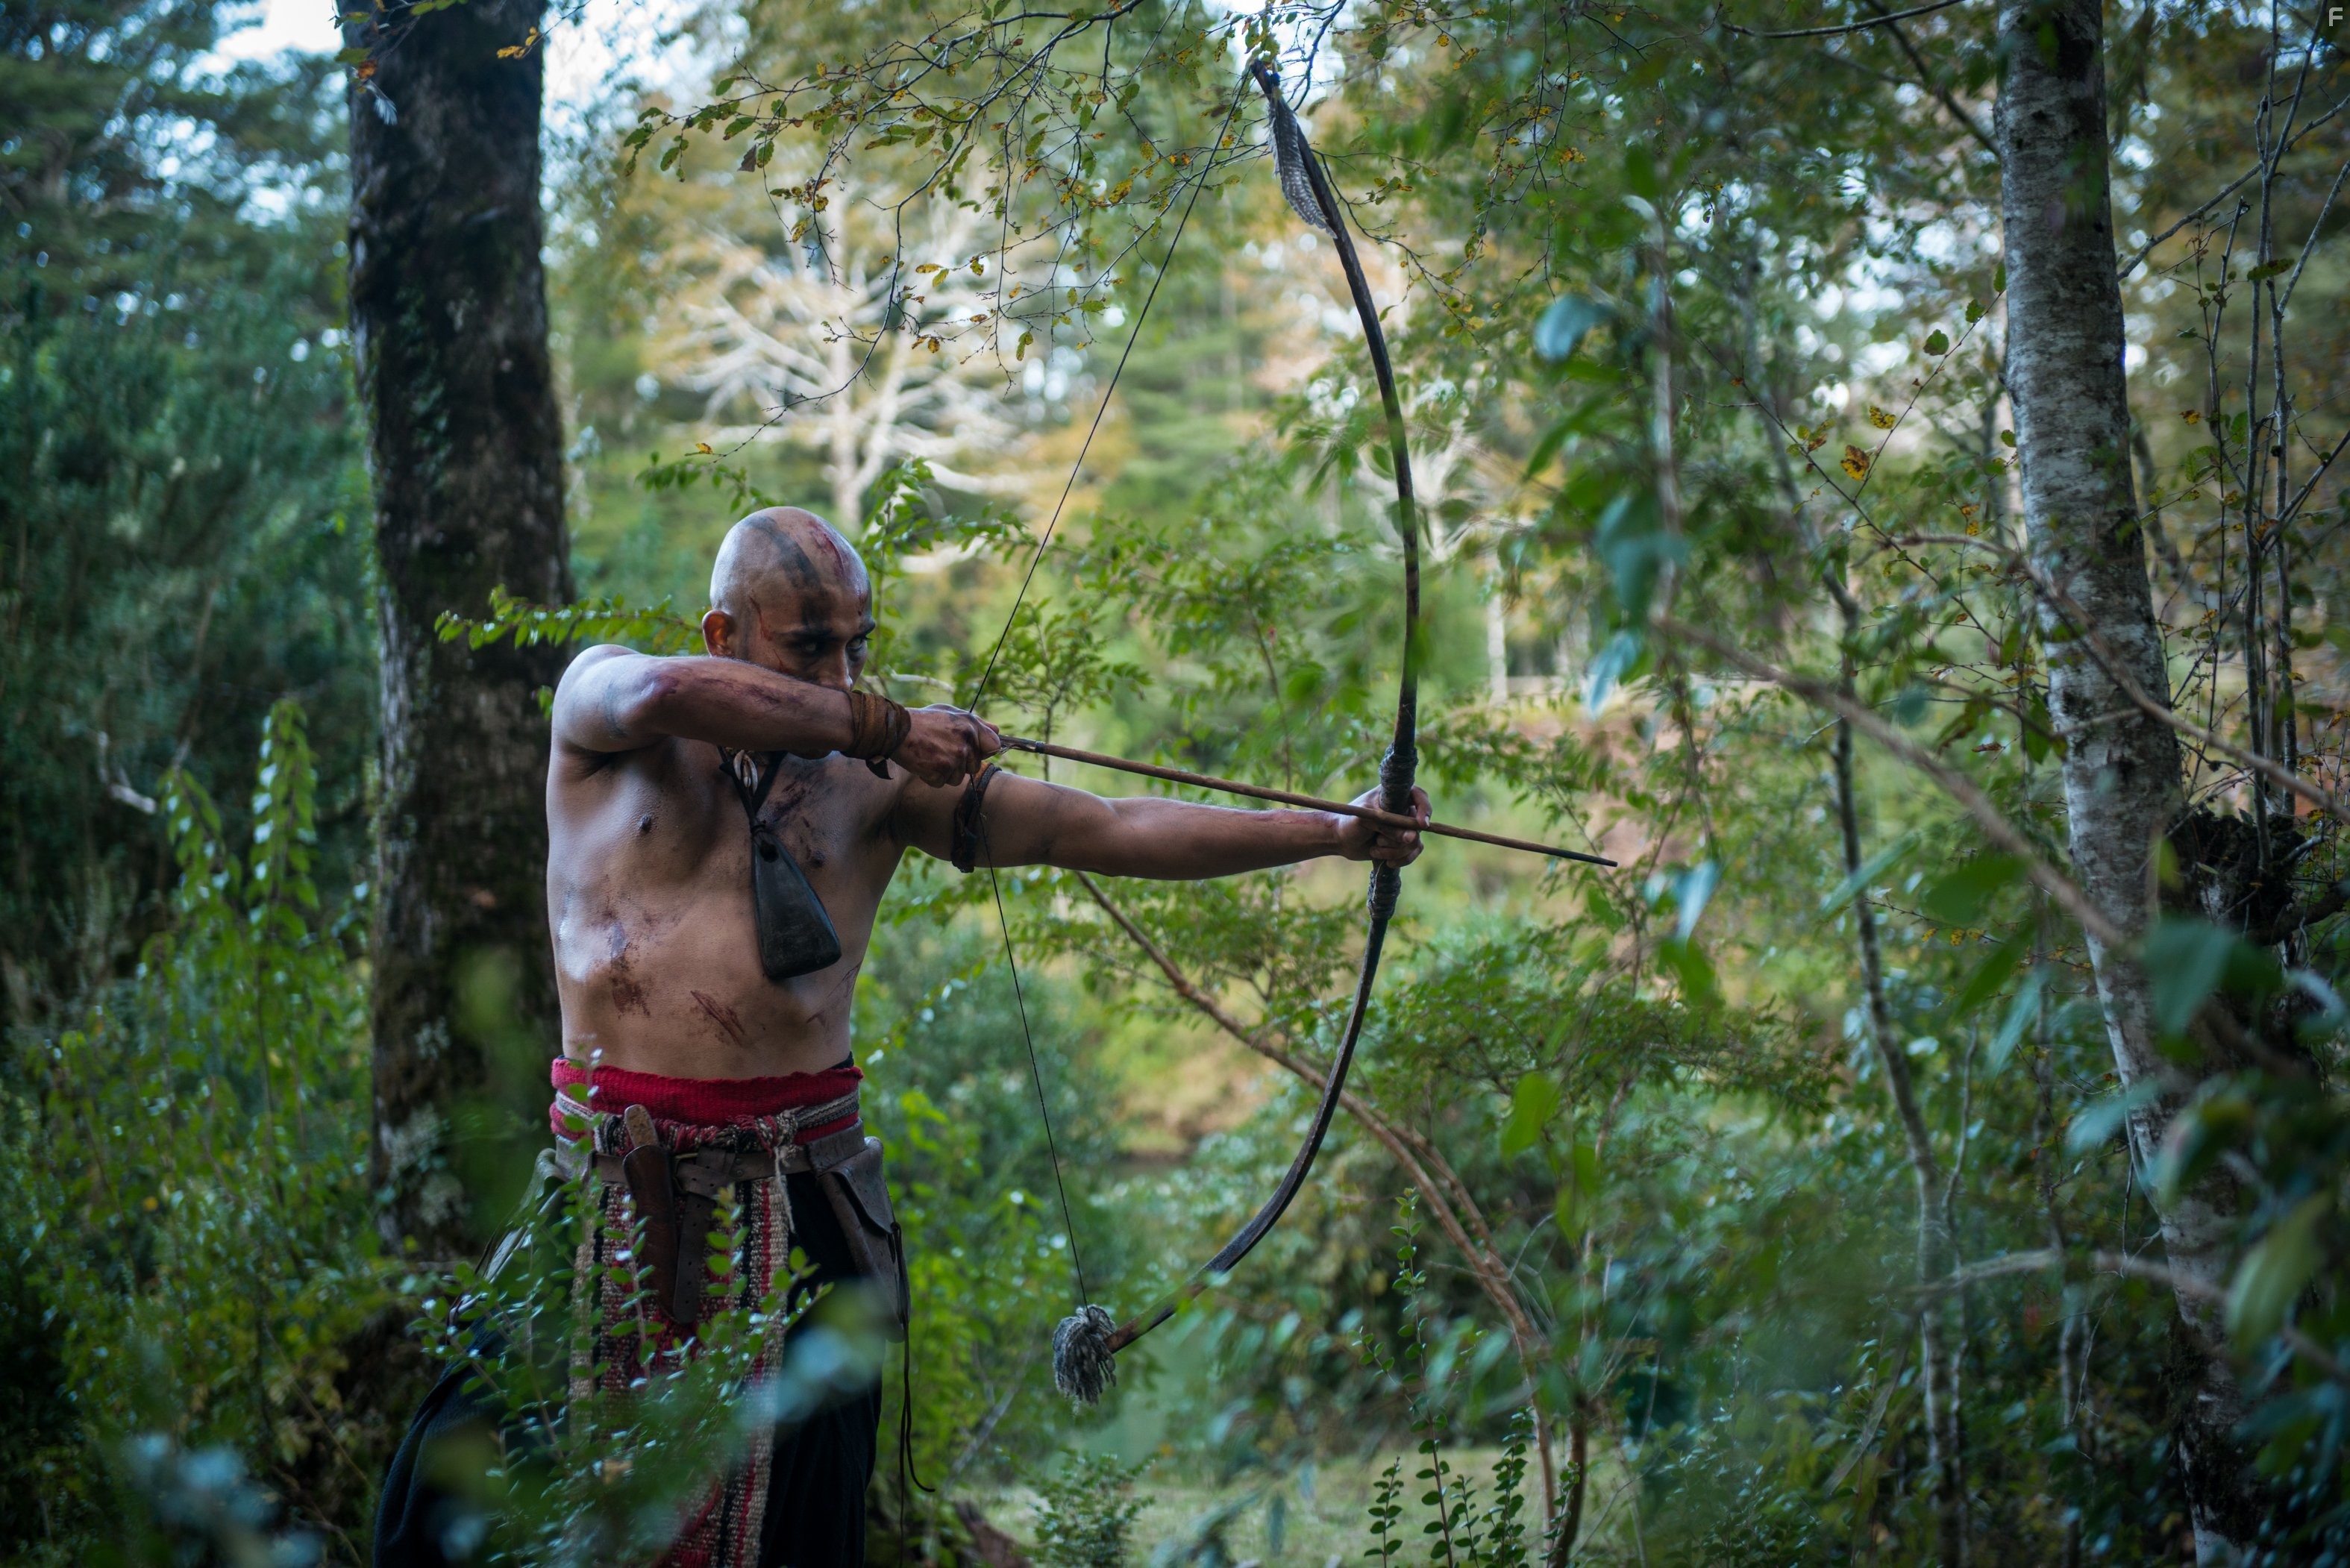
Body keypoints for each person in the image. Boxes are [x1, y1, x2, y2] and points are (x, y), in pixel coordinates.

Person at [375, 505, 1428, 1568]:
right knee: (449, 1513)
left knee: (794, 1533)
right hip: (604, 1191)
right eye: (808, 645)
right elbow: (661, 693)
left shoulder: (874, 784)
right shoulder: (608, 710)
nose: (840, 673)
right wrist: (884, 725)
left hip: (799, 1202)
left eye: (856, 646)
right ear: (722, 633)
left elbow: (1105, 826)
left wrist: (1332, 832)